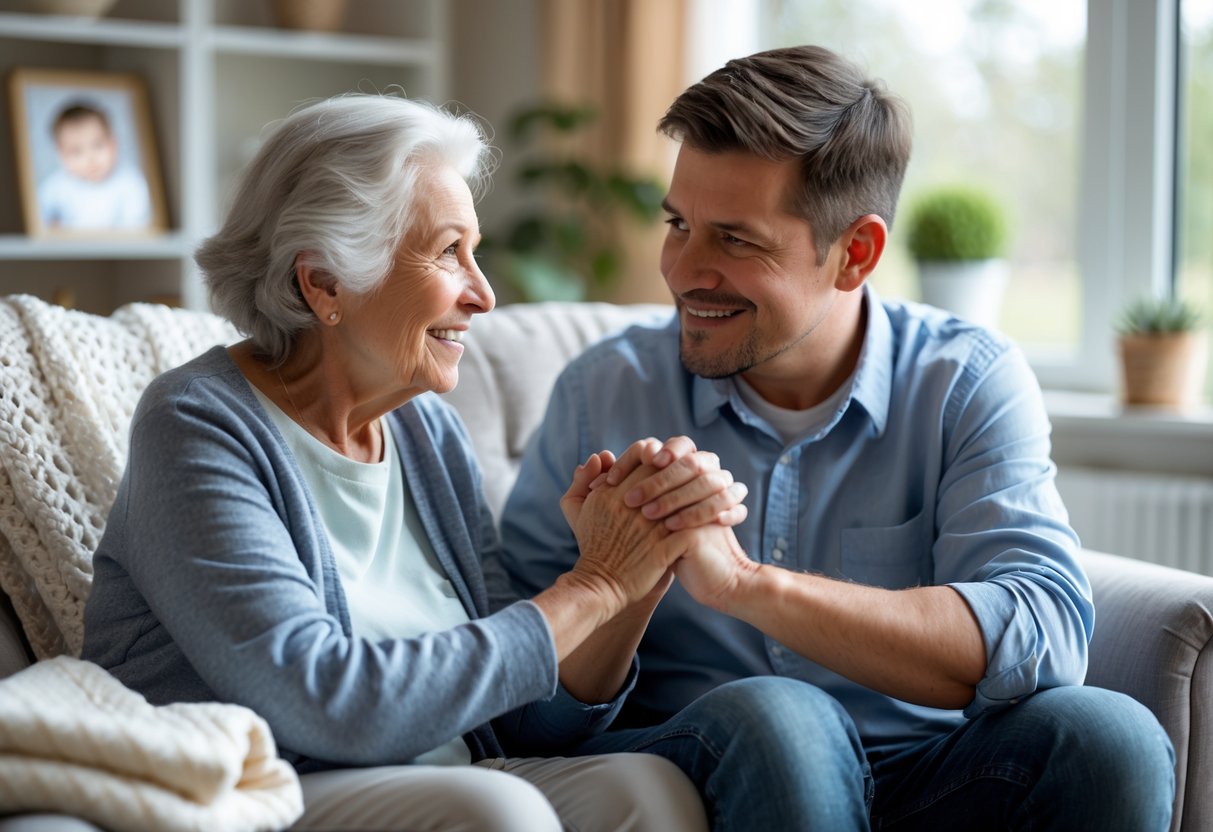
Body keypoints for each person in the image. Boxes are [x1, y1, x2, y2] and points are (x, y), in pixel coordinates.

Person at [500, 45, 1177, 830]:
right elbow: (522, 716)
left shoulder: (964, 380)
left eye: (734, 239)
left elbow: (1044, 635)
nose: (683, 270)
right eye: (678, 224)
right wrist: (617, 583)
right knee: (782, 719)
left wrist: (744, 584)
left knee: (1110, 736)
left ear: (854, 253)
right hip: (710, 758)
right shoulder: (602, 391)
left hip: (926, 773)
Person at [81, 93, 750, 831]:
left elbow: (523, 724)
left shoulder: (428, 432)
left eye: (476, 252)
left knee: (647, 790)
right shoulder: (198, 424)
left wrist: (635, 567)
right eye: (447, 252)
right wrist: (589, 588)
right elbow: (321, 703)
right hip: (264, 784)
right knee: (497, 809)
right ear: (324, 282)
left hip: (441, 780)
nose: (485, 294)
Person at [37, 101, 152, 231]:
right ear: (62, 156)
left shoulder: (130, 182)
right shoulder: (54, 187)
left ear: (114, 143)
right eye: (76, 152)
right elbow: (39, 224)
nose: (90, 159)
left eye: (98, 145)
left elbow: (137, 229)